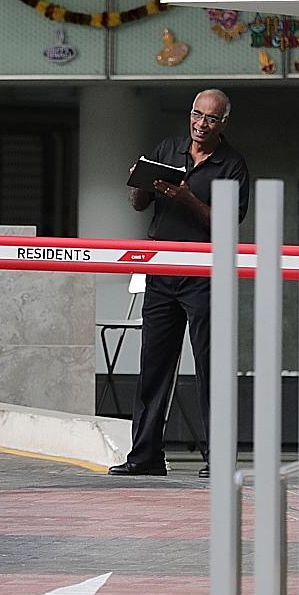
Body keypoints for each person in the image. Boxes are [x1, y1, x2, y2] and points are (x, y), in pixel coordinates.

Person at [109, 89, 250, 479]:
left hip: (205, 273)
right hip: (161, 269)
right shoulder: (168, 150)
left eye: (211, 118)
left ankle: (219, 461)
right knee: (153, 365)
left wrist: (187, 197)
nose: (201, 124)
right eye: (197, 114)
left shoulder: (232, 165)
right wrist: (140, 182)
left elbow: (229, 223)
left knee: (211, 367)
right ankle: (146, 456)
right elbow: (139, 204)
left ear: (224, 123)